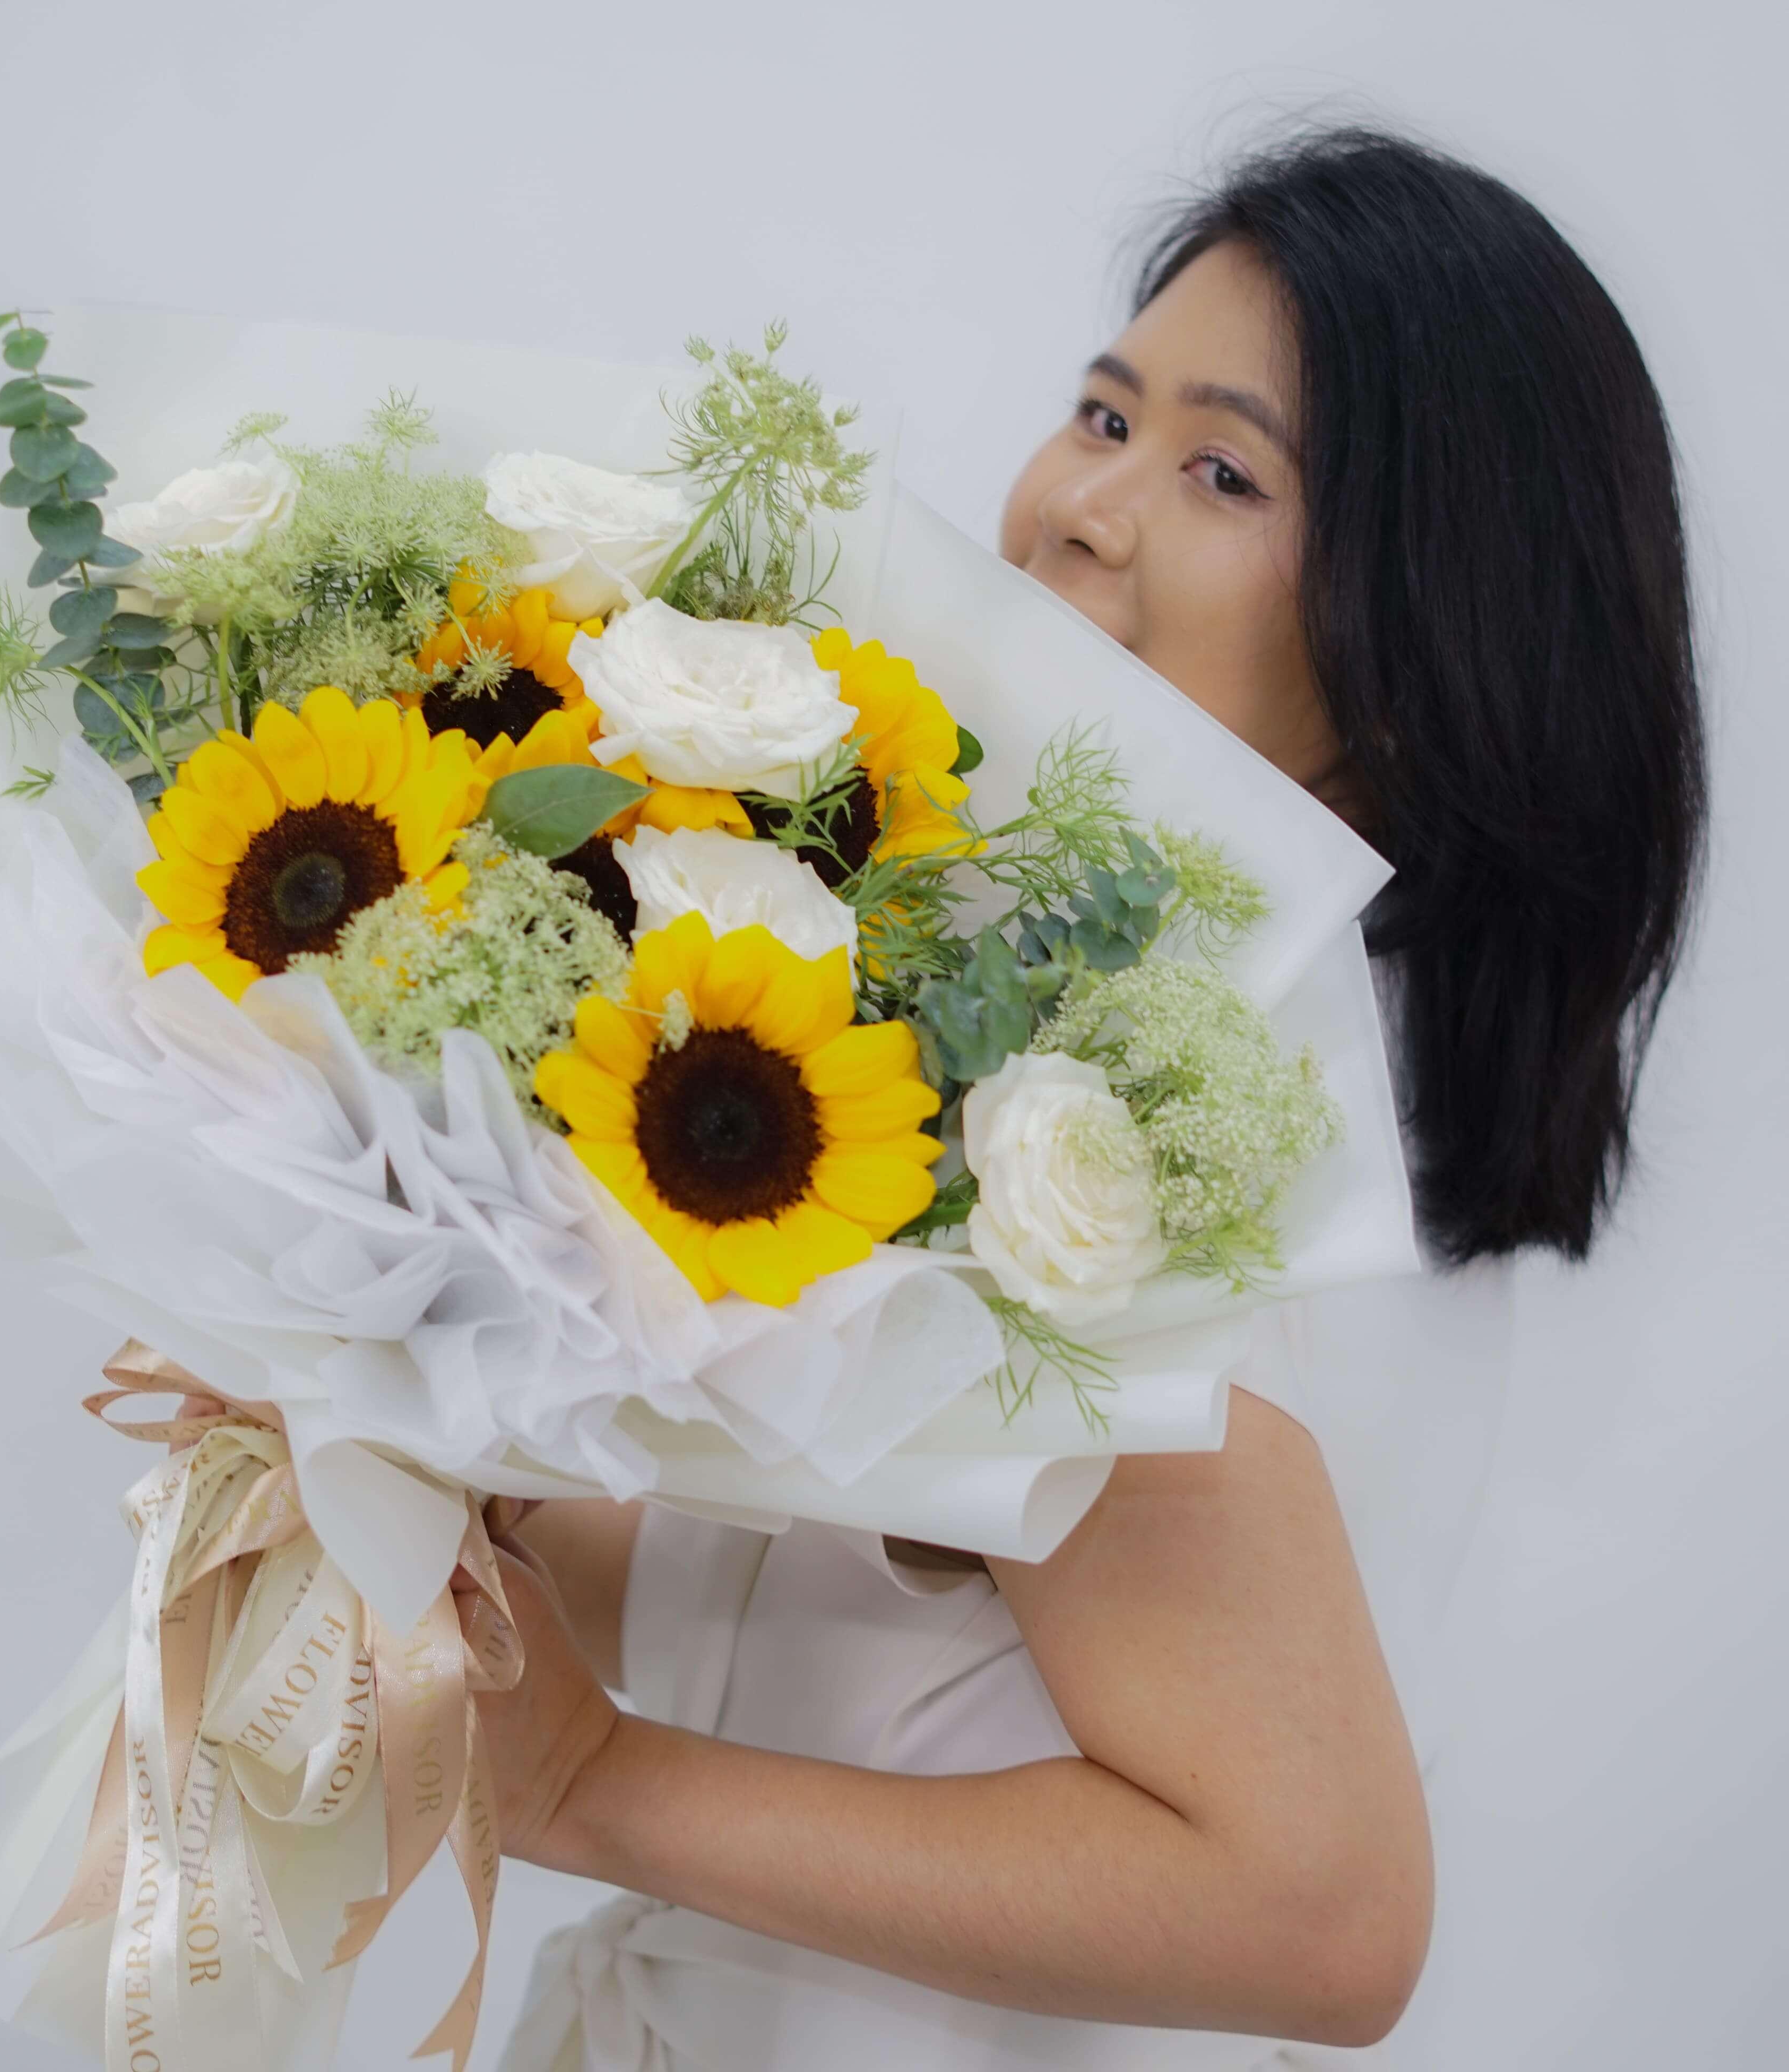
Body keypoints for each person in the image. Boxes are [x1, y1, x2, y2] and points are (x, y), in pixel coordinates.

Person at [476, 126, 1708, 2070]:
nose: (1080, 506)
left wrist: (585, 1791)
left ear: (1422, 641)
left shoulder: (1176, 1160)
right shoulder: (1110, 1050)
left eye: (1223, 471)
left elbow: (1316, 1918)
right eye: (1100, 413)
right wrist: (436, 1467)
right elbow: (849, 1650)